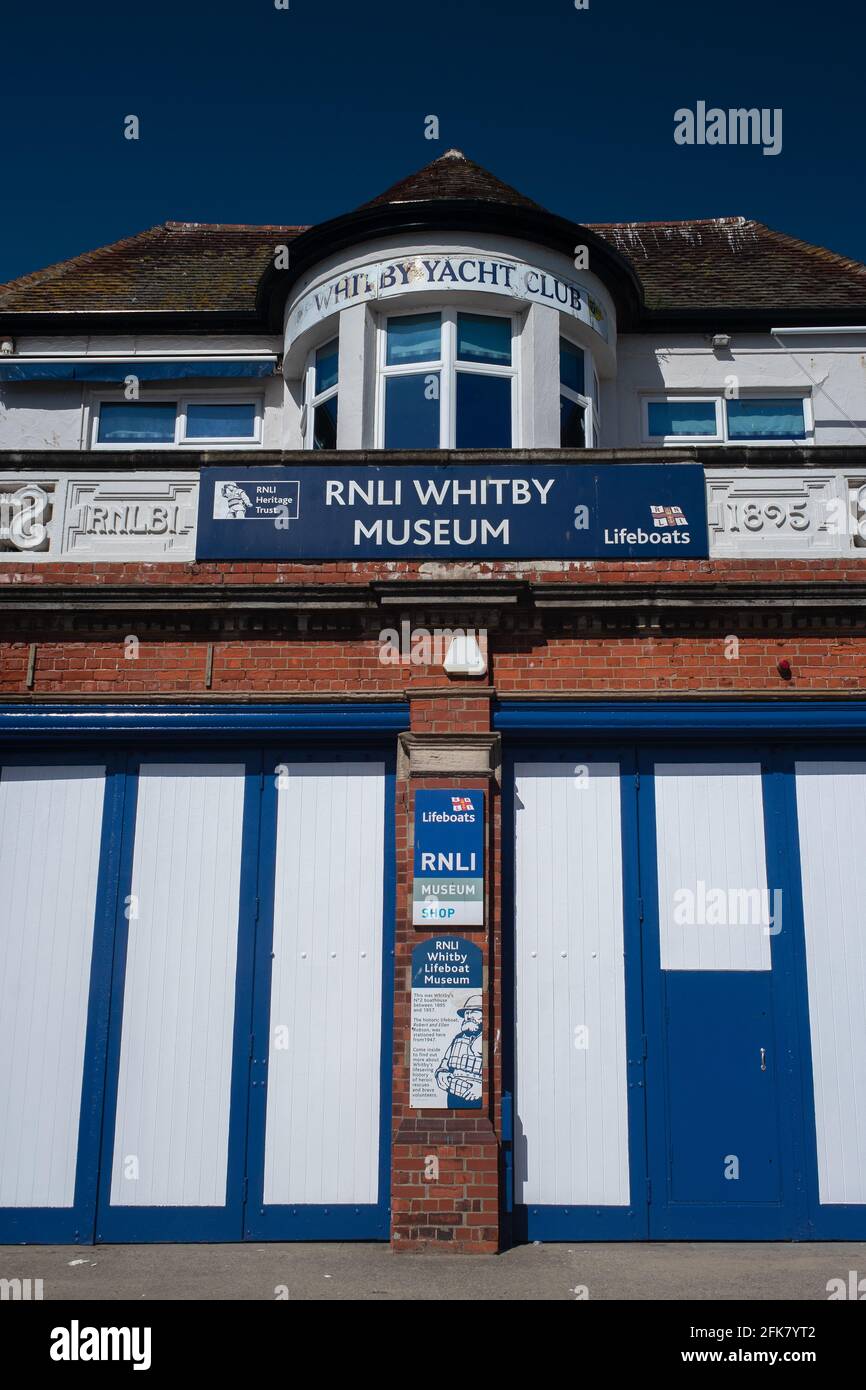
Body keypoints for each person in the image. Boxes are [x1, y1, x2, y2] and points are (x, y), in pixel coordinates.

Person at [435, 995, 483, 1108]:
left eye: (474, 1012)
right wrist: (441, 1073)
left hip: (476, 1097)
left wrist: (482, 1088)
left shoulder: (489, 1039)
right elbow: (445, 1063)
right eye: (467, 1012)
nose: (468, 1016)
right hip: (453, 1096)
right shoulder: (458, 1038)